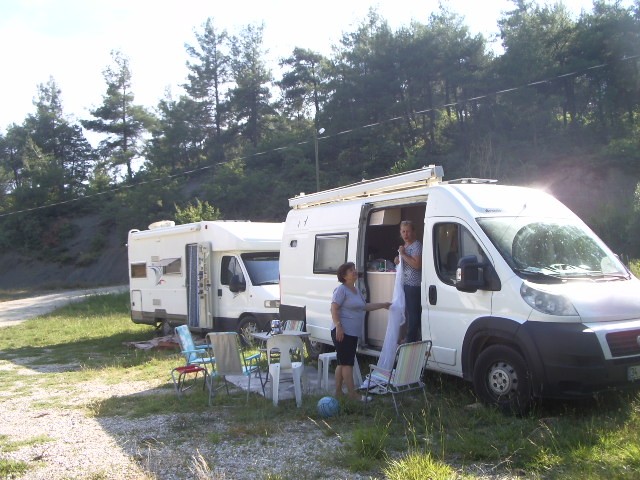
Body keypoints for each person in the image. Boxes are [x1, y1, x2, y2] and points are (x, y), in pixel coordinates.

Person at [331, 262, 391, 401]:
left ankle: (338, 393)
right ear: (344, 276)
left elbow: (364, 307)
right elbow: (334, 308)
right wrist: (338, 326)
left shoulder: (356, 290)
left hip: (352, 333)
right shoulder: (341, 290)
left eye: (354, 269)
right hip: (342, 332)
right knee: (347, 363)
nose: (354, 271)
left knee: (342, 362)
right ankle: (352, 394)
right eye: (350, 270)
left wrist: (383, 305)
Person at [394, 220, 422, 343]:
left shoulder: (416, 245)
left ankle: (410, 339)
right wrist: (398, 259)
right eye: (403, 231)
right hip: (405, 284)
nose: (406, 234)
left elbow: (417, 265)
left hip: (413, 285)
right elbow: (405, 262)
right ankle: (410, 337)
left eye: (408, 231)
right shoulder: (405, 246)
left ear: (413, 232)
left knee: (413, 314)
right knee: (409, 313)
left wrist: (403, 255)